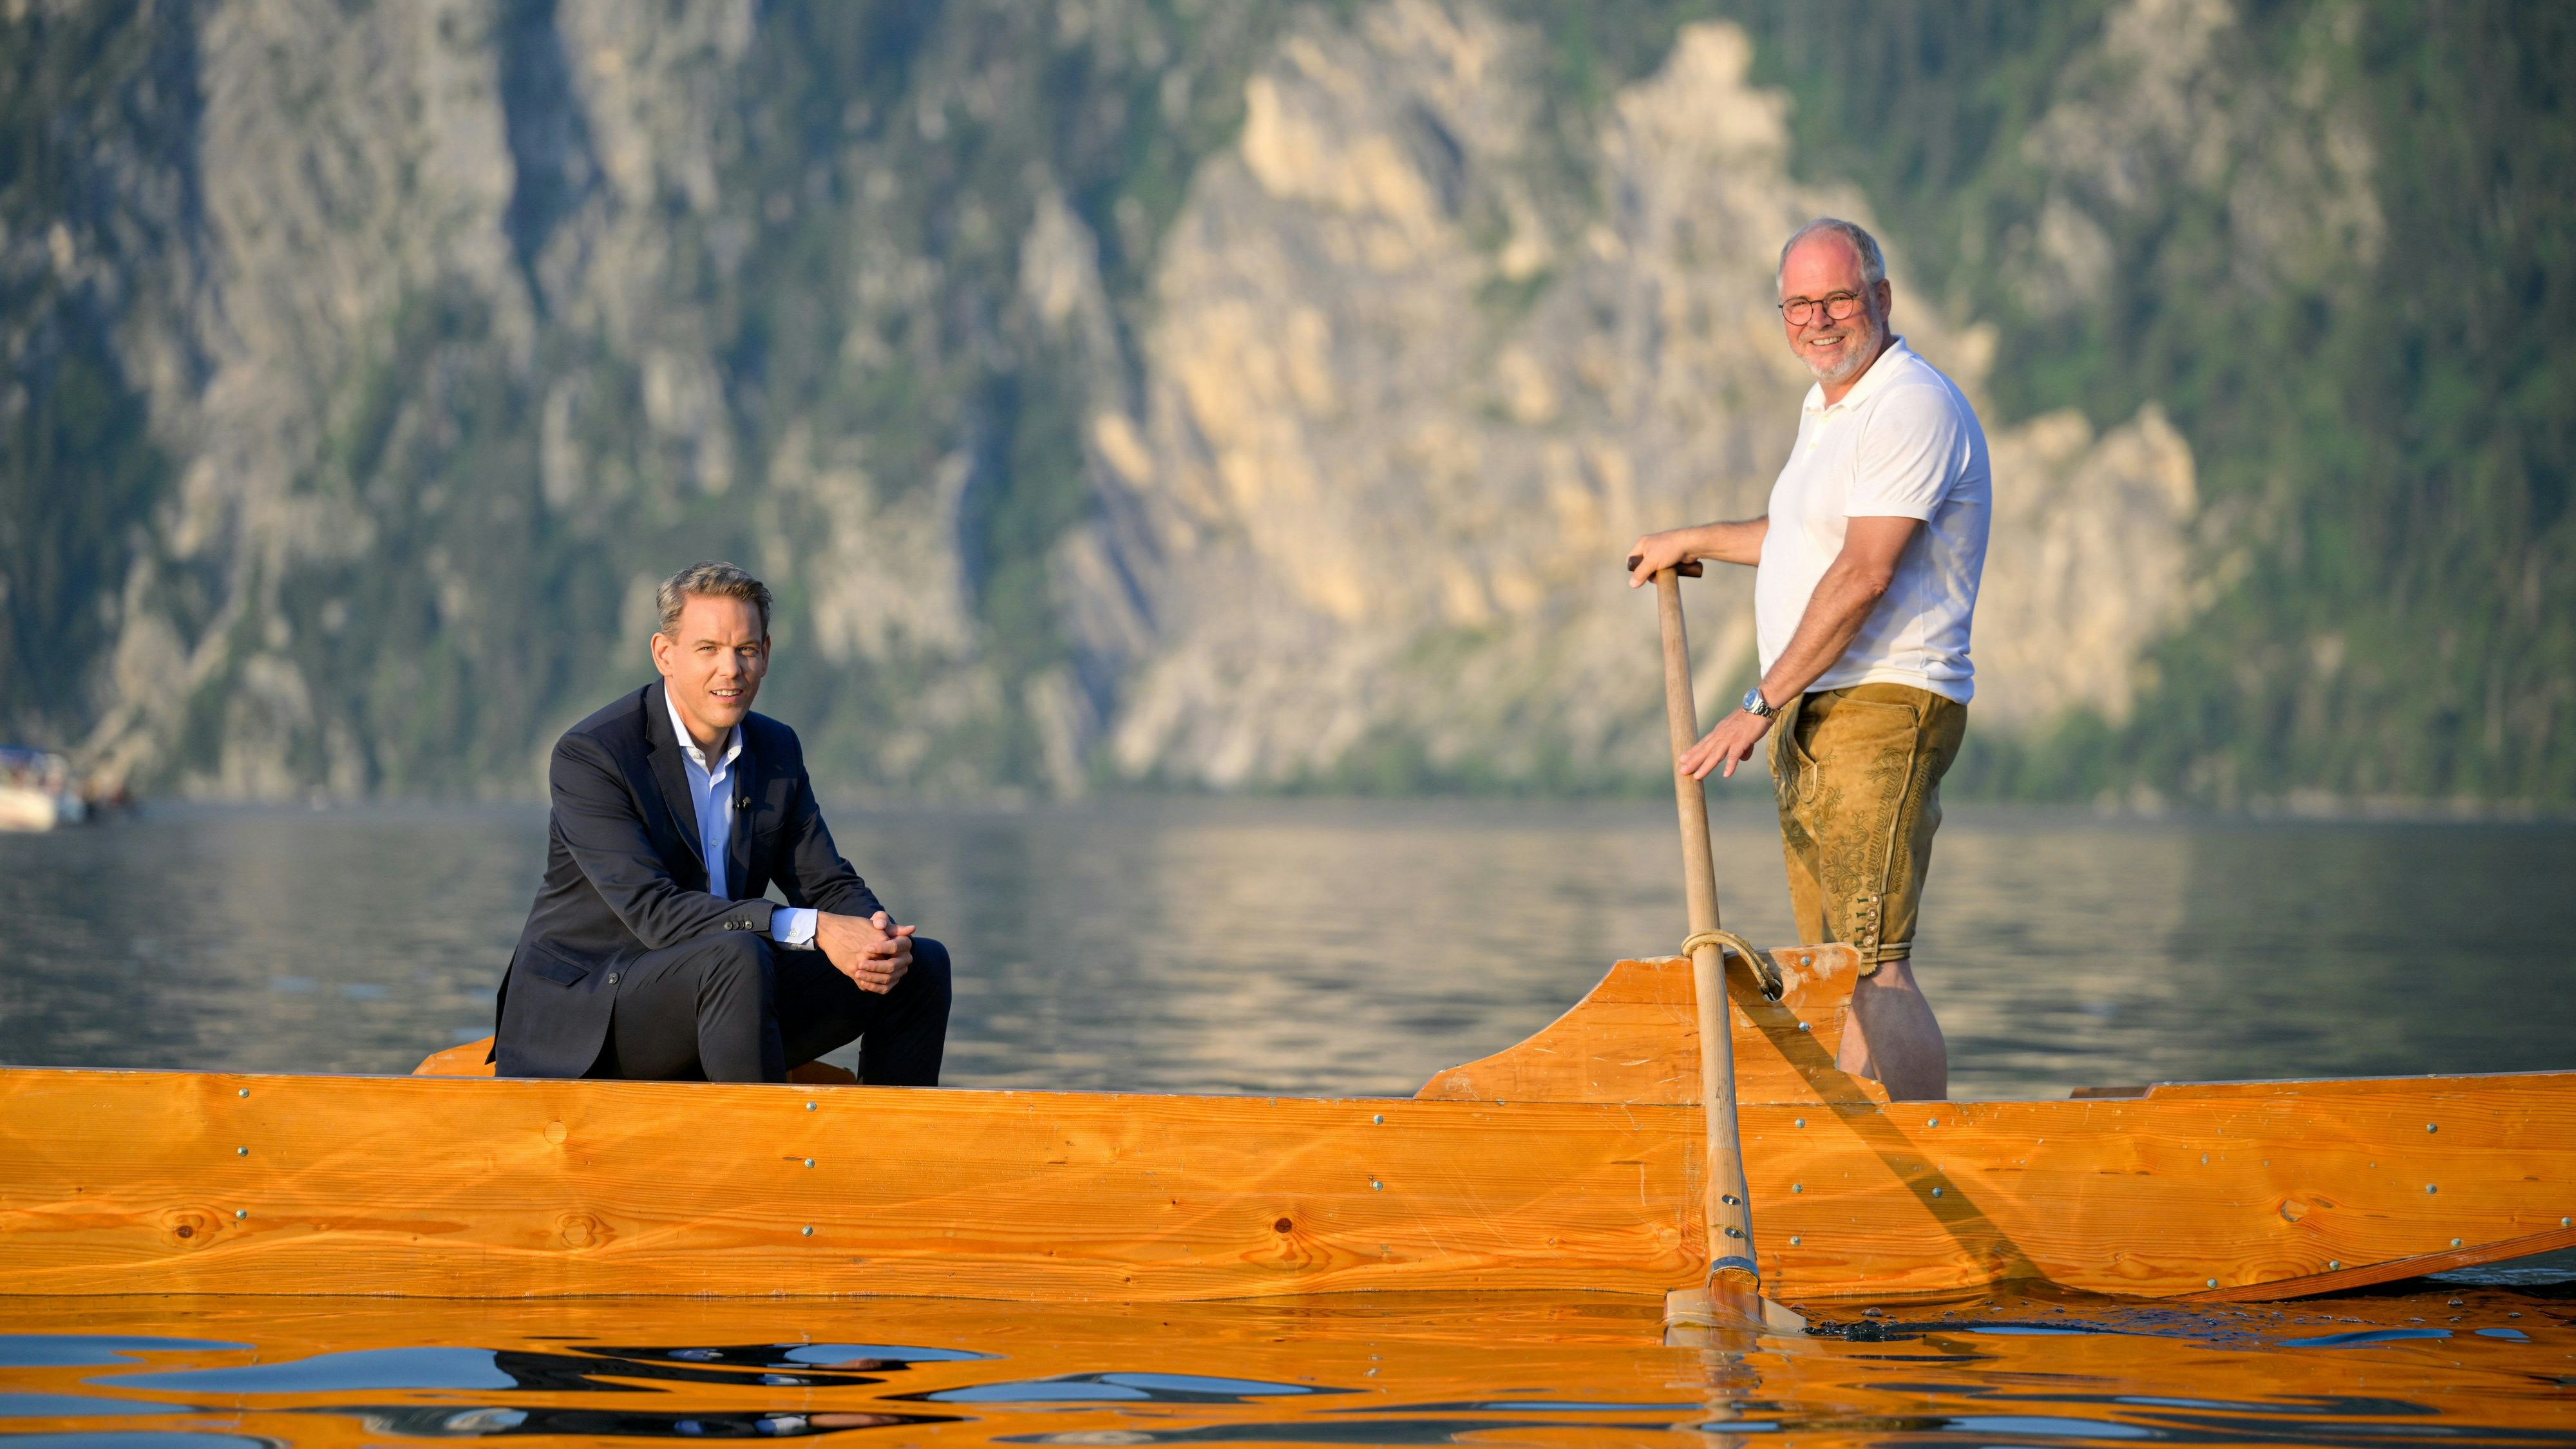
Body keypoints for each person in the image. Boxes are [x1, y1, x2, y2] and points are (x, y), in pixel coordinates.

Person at [1625, 218, 1990, 1102]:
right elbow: (1802, 540)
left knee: (1876, 965)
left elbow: (1865, 572)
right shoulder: (1829, 411)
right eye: (1799, 304)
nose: (1818, 320)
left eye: (1837, 298)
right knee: (1837, 968)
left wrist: (1756, 703)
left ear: (1881, 298)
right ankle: (1864, 1170)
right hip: (1819, 707)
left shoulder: (1909, 404)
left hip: (1881, 701)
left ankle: (1925, 1167)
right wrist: (1693, 538)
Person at [492, 561, 951, 1083]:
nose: (730, 669)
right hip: (591, 1013)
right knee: (736, 956)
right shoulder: (593, 755)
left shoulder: (776, 749)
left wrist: (877, 939)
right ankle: (763, 1159)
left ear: (767, 655)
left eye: (746, 650)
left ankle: (889, 1155)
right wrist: (818, 929)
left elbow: (826, 881)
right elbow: (654, 912)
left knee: (919, 968)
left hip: (728, 988)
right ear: (665, 655)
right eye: (707, 649)